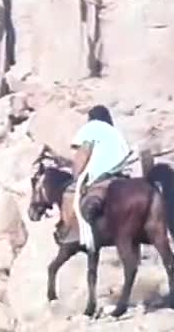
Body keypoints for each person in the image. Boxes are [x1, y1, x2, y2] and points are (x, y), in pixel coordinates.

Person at [68, 105, 132, 249]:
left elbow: (83, 153)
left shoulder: (91, 128)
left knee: (73, 198)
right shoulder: (115, 132)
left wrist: (76, 175)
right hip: (118, 172)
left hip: (98, 173)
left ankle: (80, 236)